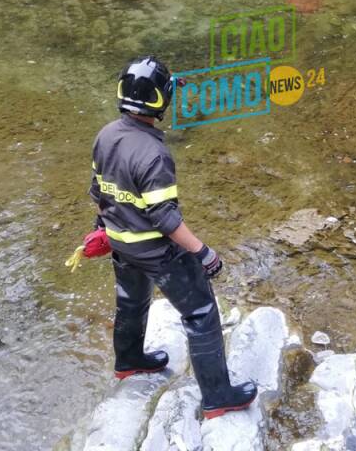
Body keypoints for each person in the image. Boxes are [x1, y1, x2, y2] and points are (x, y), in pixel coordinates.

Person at [86, 56, 257, 420]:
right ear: (161, 101)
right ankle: (217, 396)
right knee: (202, 313)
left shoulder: (105, 135)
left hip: (120, 241)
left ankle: (129, 361)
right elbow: (164, 218)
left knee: (130, 302)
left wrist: (102, 230)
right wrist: (204, 252)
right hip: (156, 251)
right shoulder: (154, 154)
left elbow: (99, 193)